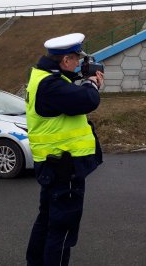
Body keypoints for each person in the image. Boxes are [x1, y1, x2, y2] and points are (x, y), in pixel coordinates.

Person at [25, 33, 104, 266]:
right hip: (63, 166)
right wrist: (92, 83)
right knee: (62, 229)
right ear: (66, 60)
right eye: (77, 60)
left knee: (48, 221)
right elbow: (87, 100)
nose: (80, 64)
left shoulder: (43, 77)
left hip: (54, 163)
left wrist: (81, 79)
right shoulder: (51, 85)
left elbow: (69, 96)